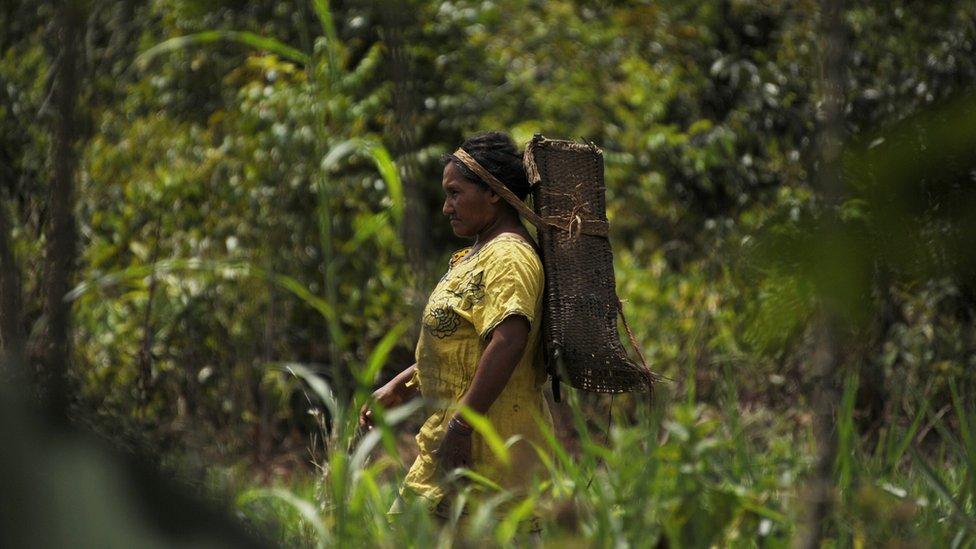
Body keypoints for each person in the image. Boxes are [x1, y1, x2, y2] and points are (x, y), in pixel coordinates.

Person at [359, 131, 553, 523]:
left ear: (494, 192)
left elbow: (509, 339)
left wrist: (464, 426)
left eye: (455, 193)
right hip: (446, 443)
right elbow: (463, 343)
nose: (447, 207)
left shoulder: (510, 256)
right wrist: (403, 384)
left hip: (491, 447)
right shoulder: (474, 255)